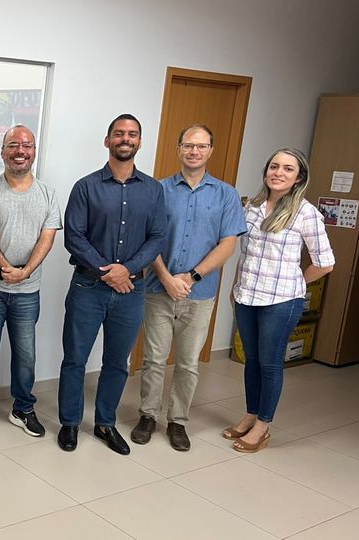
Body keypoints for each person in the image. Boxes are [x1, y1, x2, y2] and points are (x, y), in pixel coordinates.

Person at [130, 125, 246, 452]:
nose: (194, 151)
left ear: (211, 150)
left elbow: (227, 245)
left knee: (188, 363)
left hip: (200, 294)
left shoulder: (226, 195)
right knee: (153, 359)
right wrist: (167, 277)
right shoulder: (159, 190)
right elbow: (148, 240)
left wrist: (191, 277)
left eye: (201, 146)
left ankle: (177, 421)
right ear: (179, 149)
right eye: (188, 145)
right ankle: (148, 415)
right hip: (158, 288)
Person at [58, 114, 165, 455]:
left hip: (131, 291)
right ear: (108, 141)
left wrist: (127, 270)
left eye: (132, 134)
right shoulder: (86, 187)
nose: (125, 139)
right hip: (88, 288)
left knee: (118, 363)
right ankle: (69, 423)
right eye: (119, 133)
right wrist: (109, 271)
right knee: (75, 359)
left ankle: (105, 423)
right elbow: (74, 236)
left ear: (139, 142)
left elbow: (157, 237)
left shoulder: (154, 190)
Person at [223, 148, 334, 453]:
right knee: (251, 359)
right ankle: (250, 414)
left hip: (281, 302)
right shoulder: (252, 207)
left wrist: (296, 283)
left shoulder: (306, 213)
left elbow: (325, 263)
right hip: (247, 296)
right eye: (274, 166)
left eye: (287, 169)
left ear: (299, 178)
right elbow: (245, 254)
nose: (279, 173)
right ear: (266, 171)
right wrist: (235, 288)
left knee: (270, 363)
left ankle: (263, 426)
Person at [0, 125, 60, 439]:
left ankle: (22, 409)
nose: (20, 151)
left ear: (34, 151)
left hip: (27, 291)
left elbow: (47, 238)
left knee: (26, 356)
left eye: (27, 145)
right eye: (13, 145)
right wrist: (7, 267)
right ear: (3, 152)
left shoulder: (47, 194)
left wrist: (25, 271)